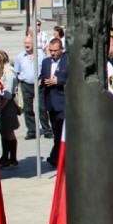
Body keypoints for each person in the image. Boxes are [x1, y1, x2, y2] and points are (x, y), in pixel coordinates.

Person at [13, 35, 52, 140]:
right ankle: (31, 131)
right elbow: (16, 72)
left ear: (34, 44)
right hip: (26, 85)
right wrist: (15, 87)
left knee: (42, 107)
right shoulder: (20, 57)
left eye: (29, 43)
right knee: (27, 108)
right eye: (25, 43)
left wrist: (43, 78)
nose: (27, 45)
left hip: (39, 84)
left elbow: (46, 68)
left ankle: (46, 129)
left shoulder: (41, 55)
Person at [40, 38, 68, 168]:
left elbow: (72, 78)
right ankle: (57, 156)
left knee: (60, 129)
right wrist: (41, 81)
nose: (53, 53)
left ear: (61, 49)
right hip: (50, 102)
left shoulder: (67, 61)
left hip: (63, 102)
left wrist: (59, 81)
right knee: (56, 132)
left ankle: (55, 156)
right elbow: (42, 75)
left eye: (55, 51)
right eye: (50, 51)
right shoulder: (46, 62)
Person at [0, 50, 20, 168]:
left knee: (9, 131)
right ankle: (5, 156)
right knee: (3, 130)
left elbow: (7, 95)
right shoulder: (5, 72)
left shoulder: (9, 73)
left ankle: (12, 158)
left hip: (8, 105)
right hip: (5, 103)